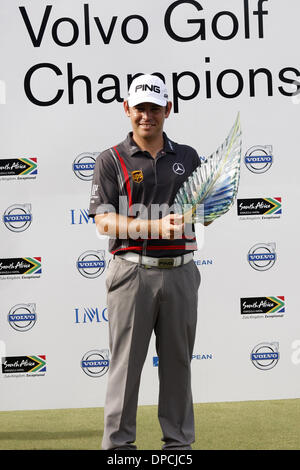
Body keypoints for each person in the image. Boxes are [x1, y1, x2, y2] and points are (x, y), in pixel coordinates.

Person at [89, 74, 201, 450]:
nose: (147, 116)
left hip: (182, 271)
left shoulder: (187, 156)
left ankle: (179, 447)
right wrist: (153, 226)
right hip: (132, 272)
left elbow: (202, 211)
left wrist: (209, 209)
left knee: (178, 369)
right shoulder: (111, 159)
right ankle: (119, 449)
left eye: (155, 108)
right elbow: (104, 220)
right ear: (127, 109)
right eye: (140, 108)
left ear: (168, 109)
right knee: (124, 370)